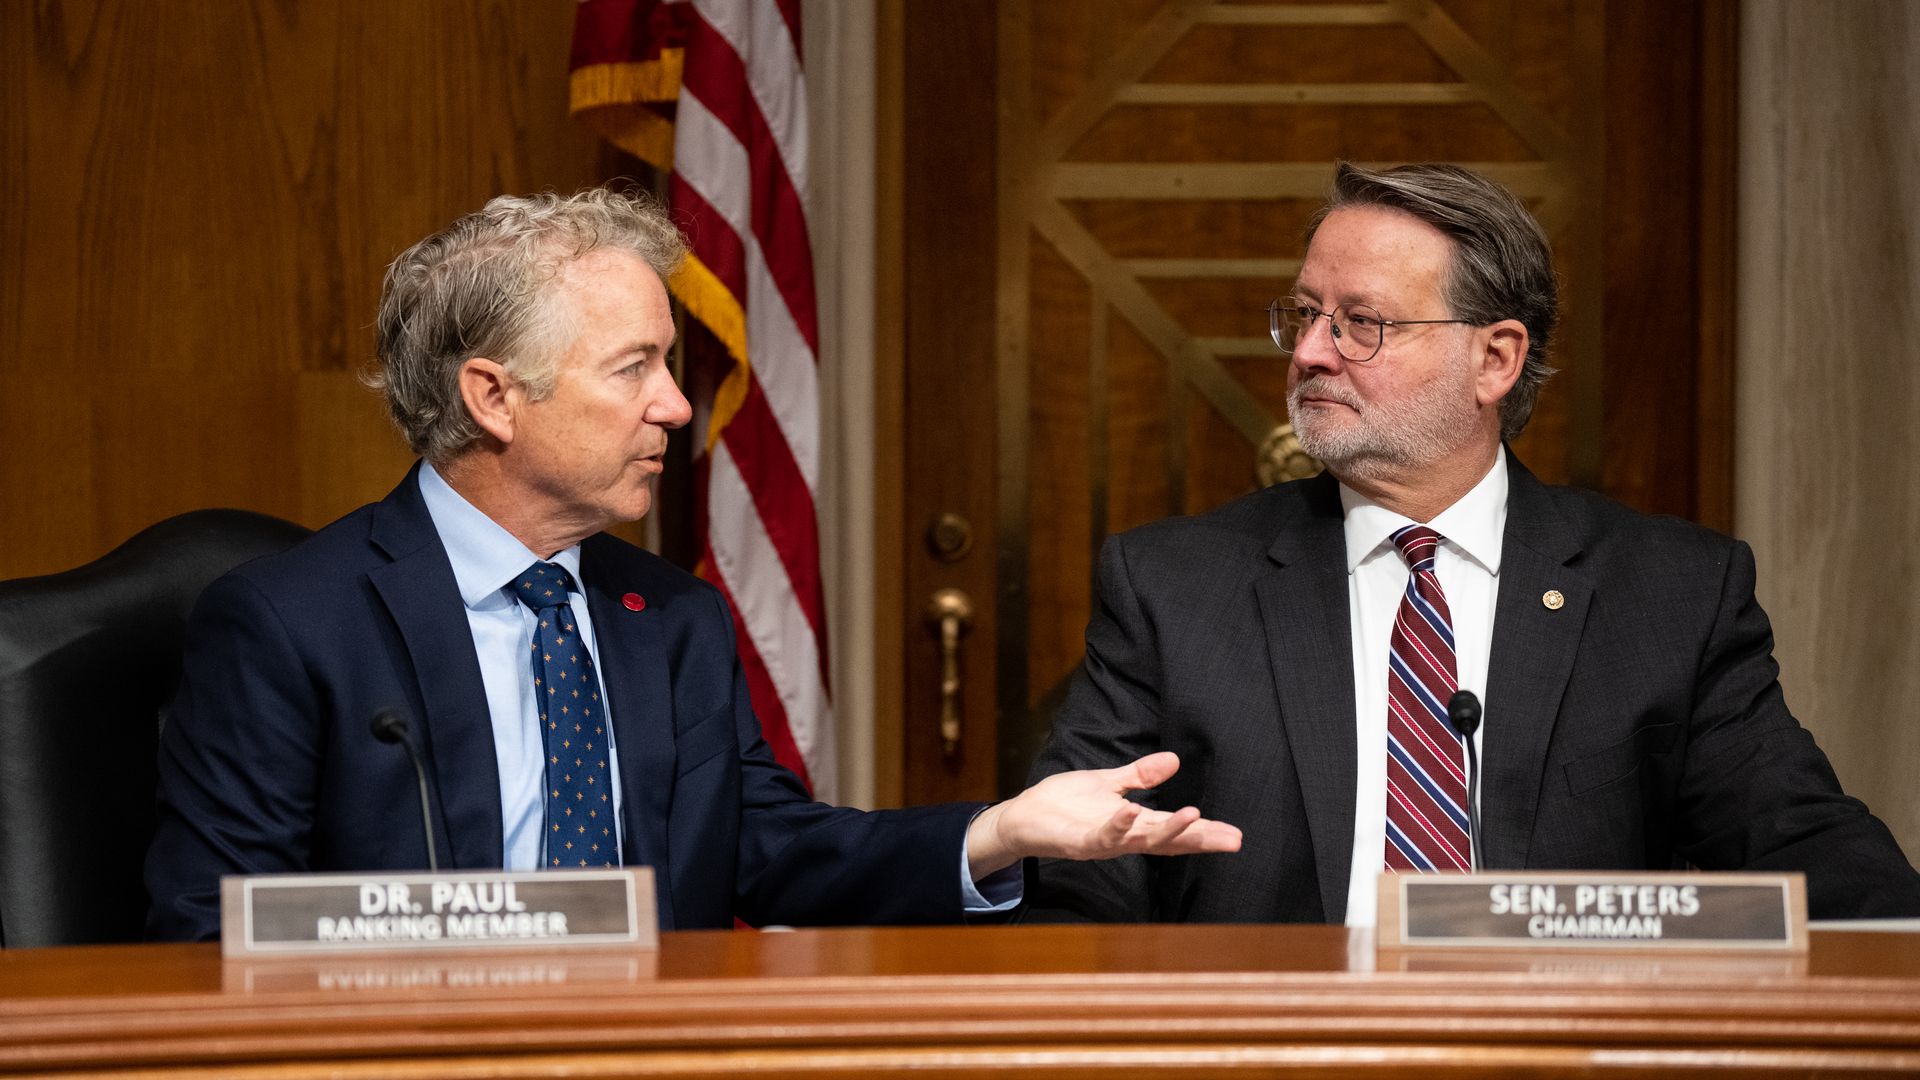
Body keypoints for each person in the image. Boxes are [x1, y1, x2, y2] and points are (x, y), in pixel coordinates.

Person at [145, 189, 1240, 942]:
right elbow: (214, 928)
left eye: (668, 364)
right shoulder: (293, 622)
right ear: (492, 398)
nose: (675, 404)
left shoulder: (667, 616)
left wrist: (1000, 831)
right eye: (635, 369)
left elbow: (768, 851)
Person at [1027, 162, 1920, 925]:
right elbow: (1079, 867)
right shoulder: (1171, 587)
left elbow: (1802, 843)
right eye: (1304, 314)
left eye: (1359, 323)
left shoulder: (1670, 594)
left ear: (1495, 359)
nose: (1309, 352)